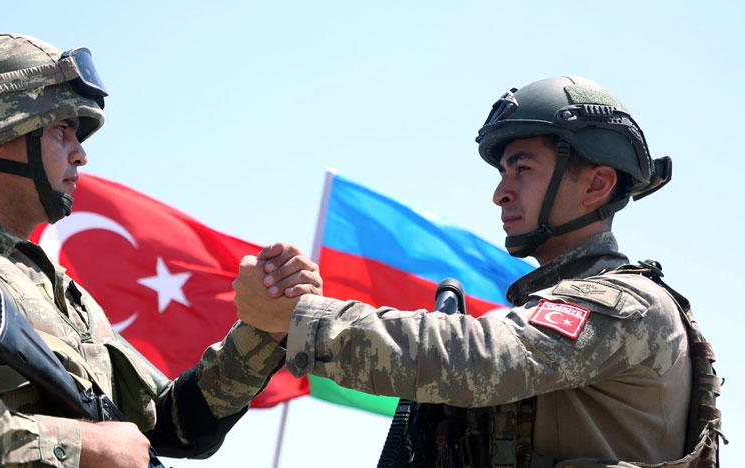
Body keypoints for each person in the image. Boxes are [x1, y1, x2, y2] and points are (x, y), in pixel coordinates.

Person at [0, 33, 318, 468]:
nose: (81, 153)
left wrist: (263, 331)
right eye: (62, 129)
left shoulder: (59, 292)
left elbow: (174, 426)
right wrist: (76, 447)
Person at [233, 76, 722, 466]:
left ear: (597, 185)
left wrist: (300, 320)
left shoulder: (627, 305)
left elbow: (479, 358)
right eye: (503, 172)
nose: (500, 193)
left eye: (522, 169)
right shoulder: (555, 305)